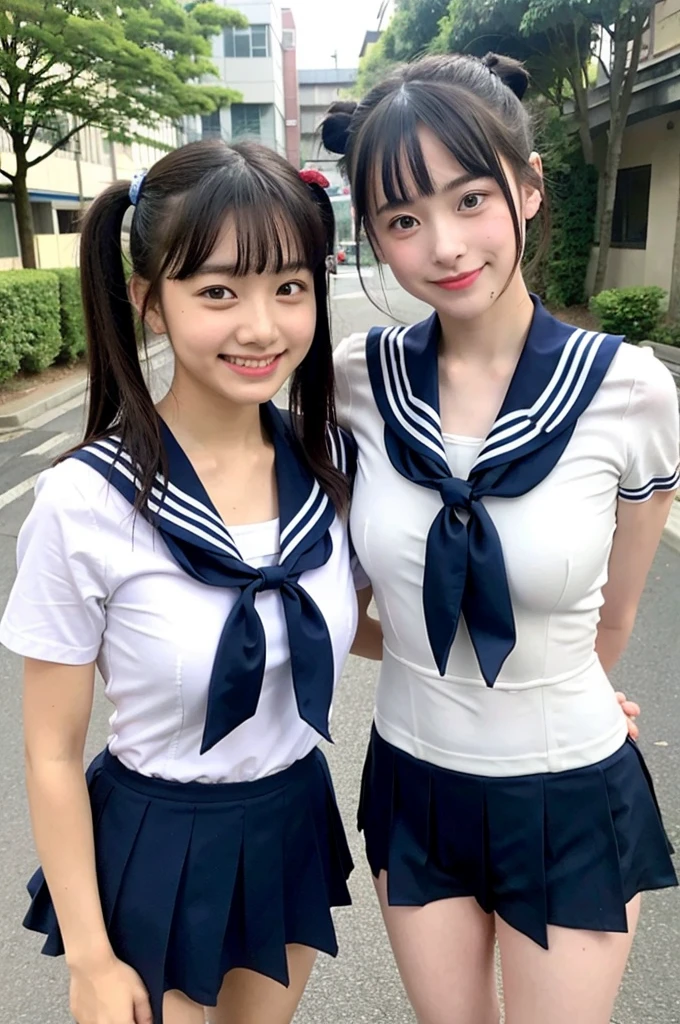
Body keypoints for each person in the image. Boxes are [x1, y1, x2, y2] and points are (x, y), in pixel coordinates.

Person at [322, 53, 679, 1024]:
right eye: (401, 219)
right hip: (412, 780)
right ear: (374, 238)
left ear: (524, 188)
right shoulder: (354, 384)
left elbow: (619, 610)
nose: (442, 243)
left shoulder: (631, 391)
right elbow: (337, 600)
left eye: (469, 196)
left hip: (567, 792)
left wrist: (560, 679)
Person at [0, 140, 361, 1024]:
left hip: (290, 820)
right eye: (216, 291)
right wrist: (88, 956)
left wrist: (563, 686)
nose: (261, 326)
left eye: (289, 287)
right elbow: (49, 750)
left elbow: (380, 627)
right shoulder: (88, 501)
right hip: (160, 838)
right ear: (148, 303)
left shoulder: (328, 466)